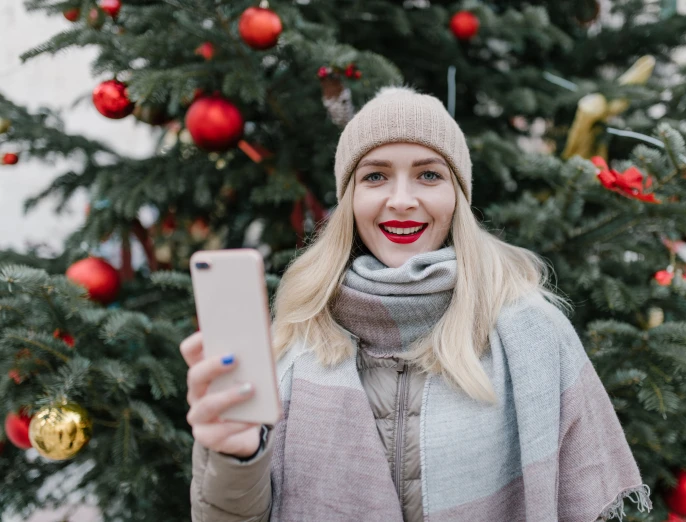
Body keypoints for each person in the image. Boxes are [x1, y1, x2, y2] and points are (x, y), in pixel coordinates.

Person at [181, 85, 653, 522]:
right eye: (375, 176)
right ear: (350, 199)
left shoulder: (534, 333)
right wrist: (237, 456)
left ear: (457, 196)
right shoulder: (296, 333)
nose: (401, 200)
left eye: (429, 174)